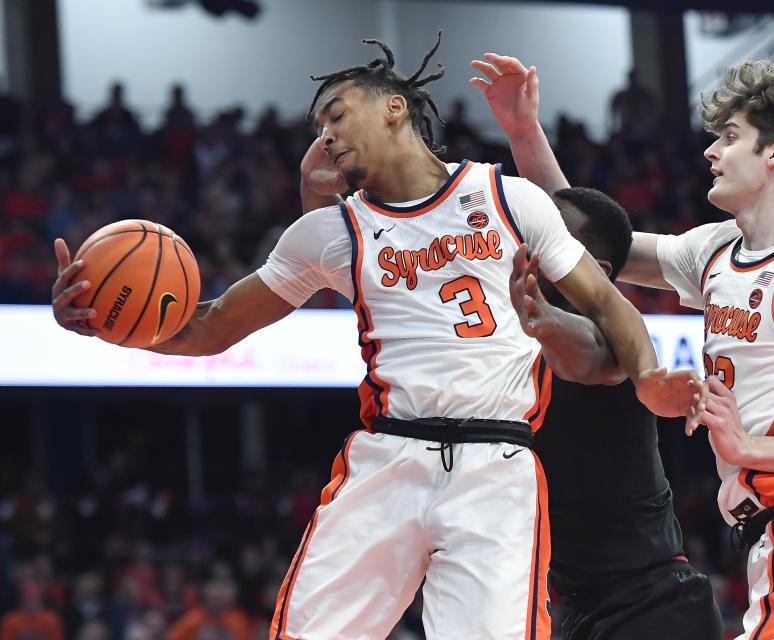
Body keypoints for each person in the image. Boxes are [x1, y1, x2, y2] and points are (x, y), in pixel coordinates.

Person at [51, 36, 694, 639]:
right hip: (389, 457)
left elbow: (611, 307)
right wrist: (110, 327)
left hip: (496, 466)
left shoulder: (509, 197)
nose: (326, 134)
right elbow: (210, 326)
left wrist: (649, 377)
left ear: (394, 107)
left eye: (336, 113)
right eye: (319, 127)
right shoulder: (328, 233)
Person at [471, 53, 774, 639]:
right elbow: (581, 236)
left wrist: (749, 447)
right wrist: (524, 132)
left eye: (731, 138)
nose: (710, 152)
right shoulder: (715, 250)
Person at [505, 185, 724, 640]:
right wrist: (523, 130)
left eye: (554, 229)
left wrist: (546, 320)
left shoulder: (614, 346)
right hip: (589, 607)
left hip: (654, 606)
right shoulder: (522, 317)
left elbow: (585, 357)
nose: (534, 232)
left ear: (597, 271)